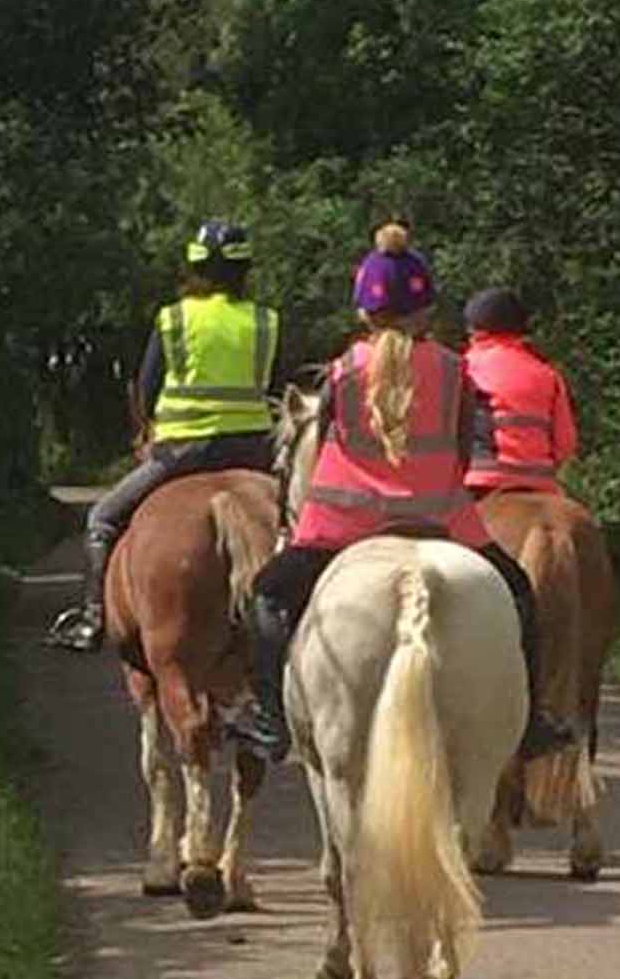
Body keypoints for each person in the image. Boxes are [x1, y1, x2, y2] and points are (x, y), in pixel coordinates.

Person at [233, 220, 574, 764]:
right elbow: (463, 453)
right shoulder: (453, 369)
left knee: (268, 596)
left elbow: (326, 452)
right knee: (518, 595)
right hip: (442, 522)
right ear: (426, 311)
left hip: (341, 528)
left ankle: (271, 722)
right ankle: (531, 723)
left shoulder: (342, 372)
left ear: (362, 311)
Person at [45, 219, 279, 653]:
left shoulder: (174, 319)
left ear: (195, 268)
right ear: (245, 270)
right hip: (253, 452)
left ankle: (92, 620)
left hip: (182, 453)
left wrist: (144, 433)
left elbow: (147, 386)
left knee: (101, 519)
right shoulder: (266, 321)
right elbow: (274, 386)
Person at [461, 287, 579, 495]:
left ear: (477, 332)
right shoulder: (547, 374)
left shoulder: (463, 369)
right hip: (540, 483)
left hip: (481, 481)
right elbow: (565, 444)